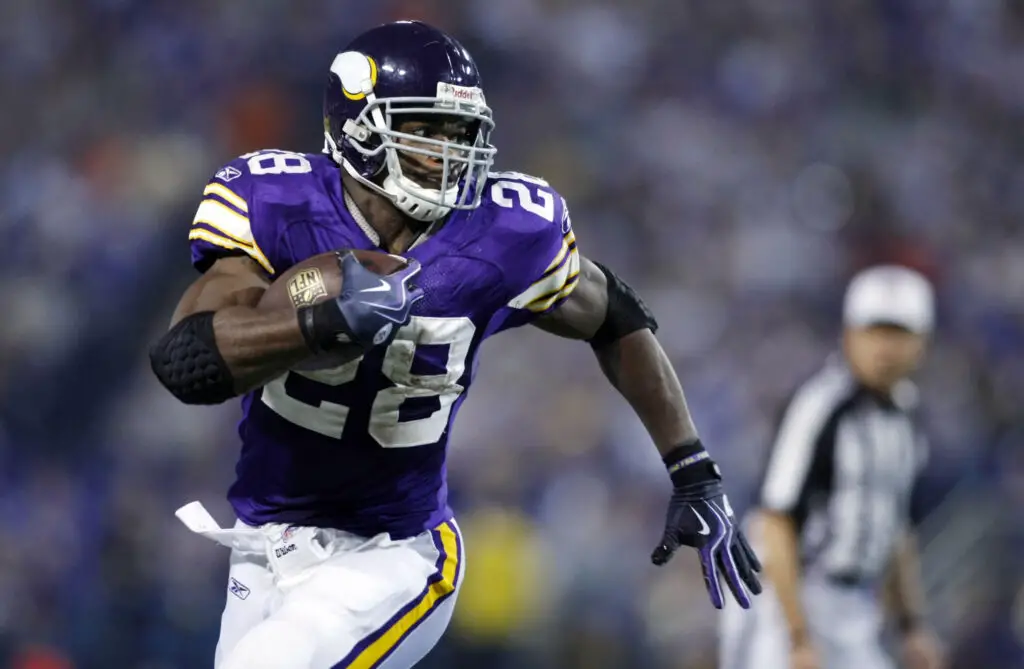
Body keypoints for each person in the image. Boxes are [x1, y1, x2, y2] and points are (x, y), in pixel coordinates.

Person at [149, 20, 761, 669]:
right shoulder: (275, 200)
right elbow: (185, 360)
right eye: (426, 131)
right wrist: (314, 325)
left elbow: (616, 316)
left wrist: (692, 467)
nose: (449, 152)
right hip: (262, 543)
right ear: (356, 127)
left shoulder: (507, 230)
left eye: (459, 132)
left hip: (394, 552)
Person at [719, 265, 946, 669]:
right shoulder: (821, 407)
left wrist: (912, 625)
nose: (886, 347)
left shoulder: (907, 417)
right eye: (875, 331)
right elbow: (776, 523)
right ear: (849, 335)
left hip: (853, 607)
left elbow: (894, 528)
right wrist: (798, 636)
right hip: (785, 598)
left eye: (899, 333)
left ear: (922, 343)